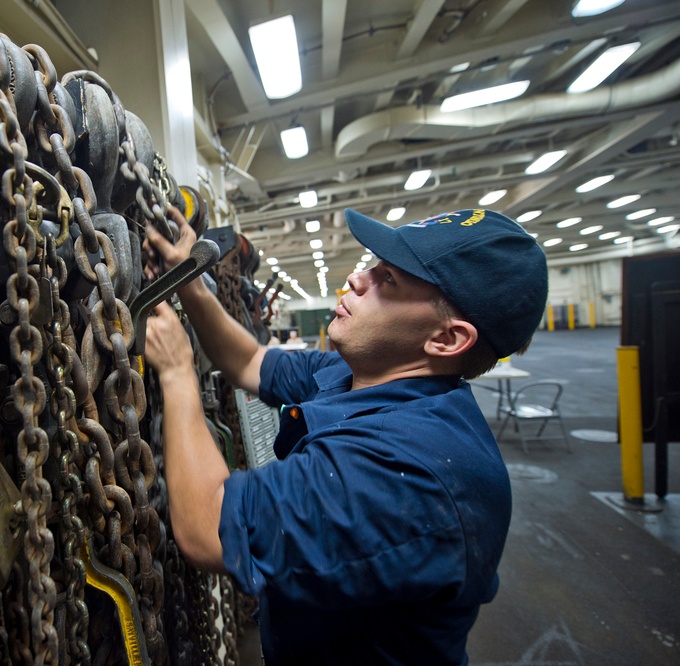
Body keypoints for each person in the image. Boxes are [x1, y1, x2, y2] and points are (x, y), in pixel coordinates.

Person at [142, 206, 549, 664]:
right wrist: (192, 286)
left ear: (448, 339)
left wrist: (178, 372)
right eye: (374, 264)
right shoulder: (361, 373)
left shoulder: (410, 473)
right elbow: (248, 362)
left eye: (389, 280)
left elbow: (205, 528)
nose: (359, 279)